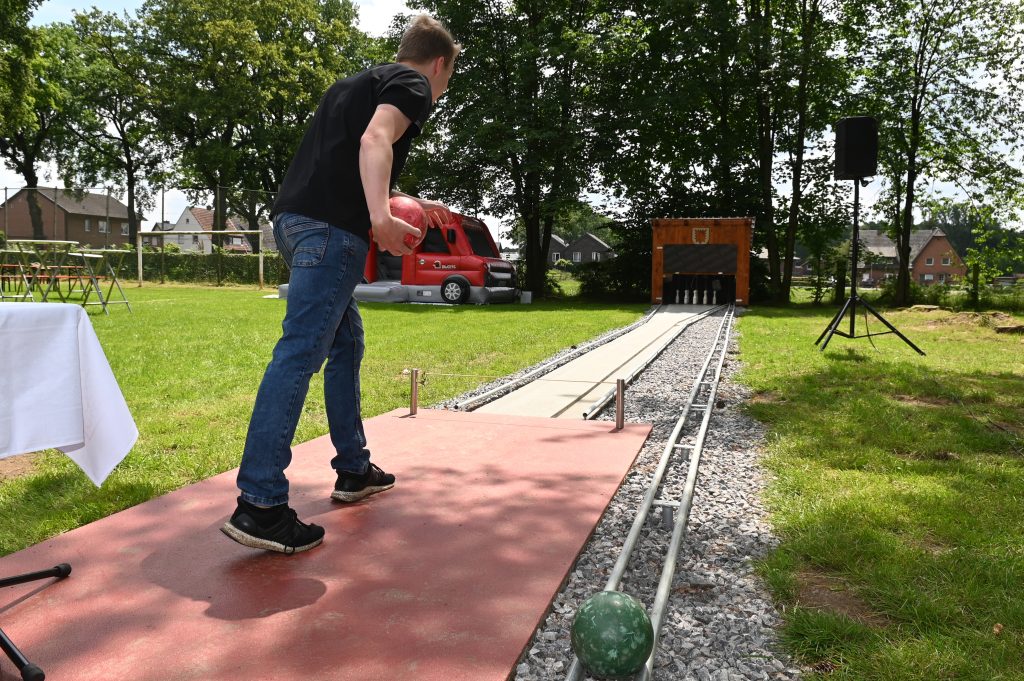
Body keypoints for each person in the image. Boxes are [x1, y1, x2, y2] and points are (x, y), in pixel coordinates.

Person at [221, 14, 460, 554]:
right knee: (300, 352)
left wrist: (396, 204)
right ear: (440, 64)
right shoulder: (415, 84)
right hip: (333, 233)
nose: (438, 94)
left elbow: (346, 154)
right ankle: (260, 504)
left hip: (293, 224)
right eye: (445, 82)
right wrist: (378, 215)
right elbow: (377, 138)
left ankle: (354, 469)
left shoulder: (352, 84)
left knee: (345, 340)